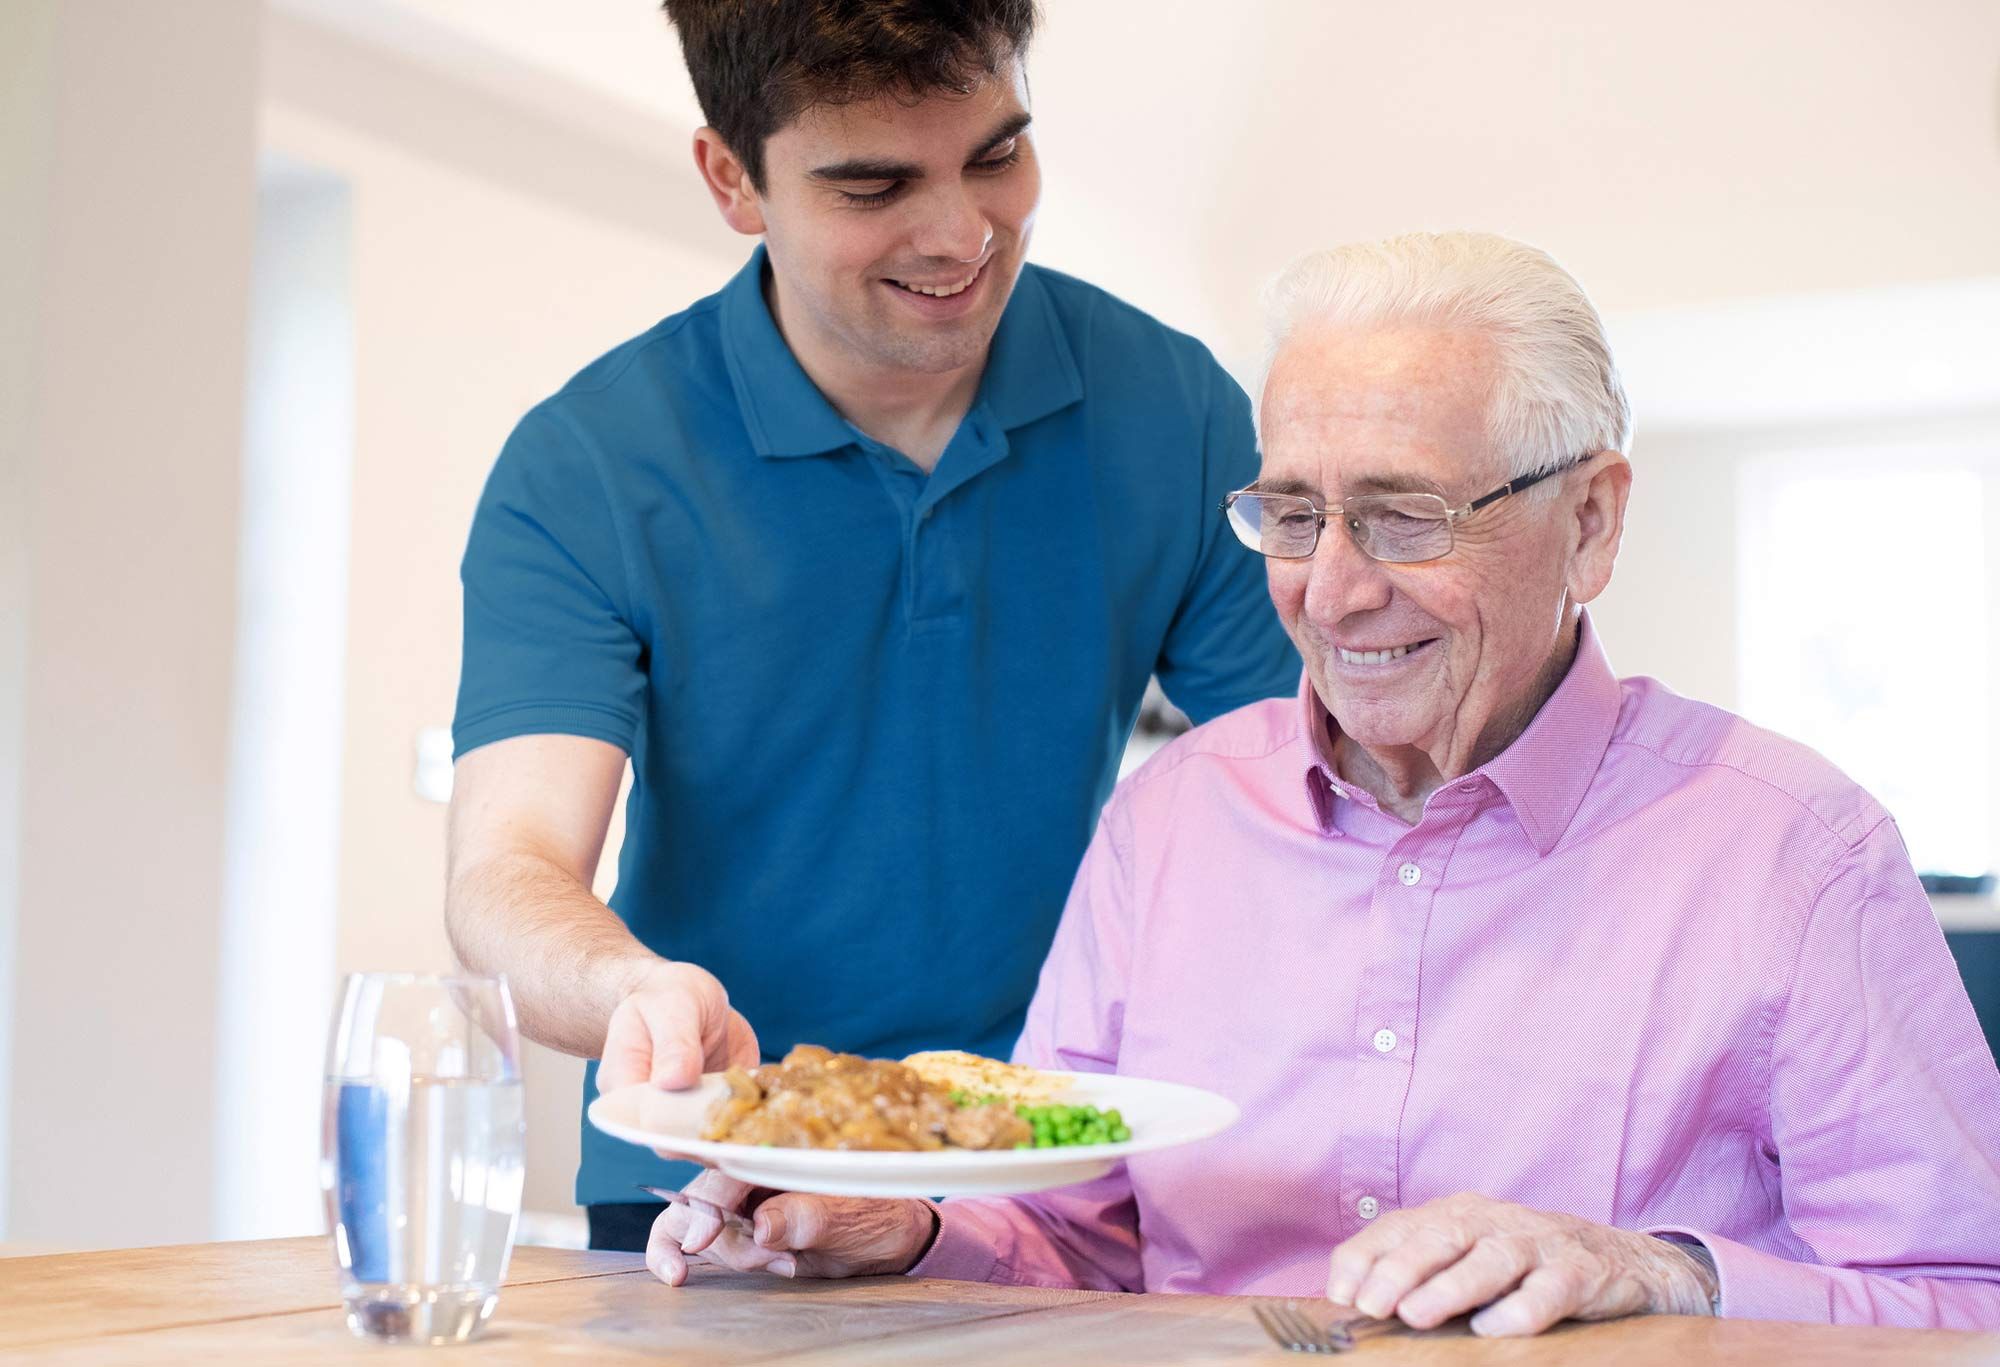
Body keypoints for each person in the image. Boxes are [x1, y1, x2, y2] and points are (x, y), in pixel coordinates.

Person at [650, 231, 2000, 1334]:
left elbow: (1963, 1298)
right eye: (1291, 514)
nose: (1335, 589)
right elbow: (1073, 1220)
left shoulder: (1797, 854)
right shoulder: (1174, 817)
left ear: (1589, 521)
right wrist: (911, 1224)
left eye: (1406, 515)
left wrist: (1662, 1271)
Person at [443, 0, 1298, 1252]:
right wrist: (631, 988)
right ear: (733, 178)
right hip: (715, 1168)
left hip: (1049, 1179)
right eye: (874, 184)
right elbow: (503, 874)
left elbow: (1307, 792)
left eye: (995, 155)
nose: (960, 233)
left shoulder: (1171, 407)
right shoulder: (589, 464)